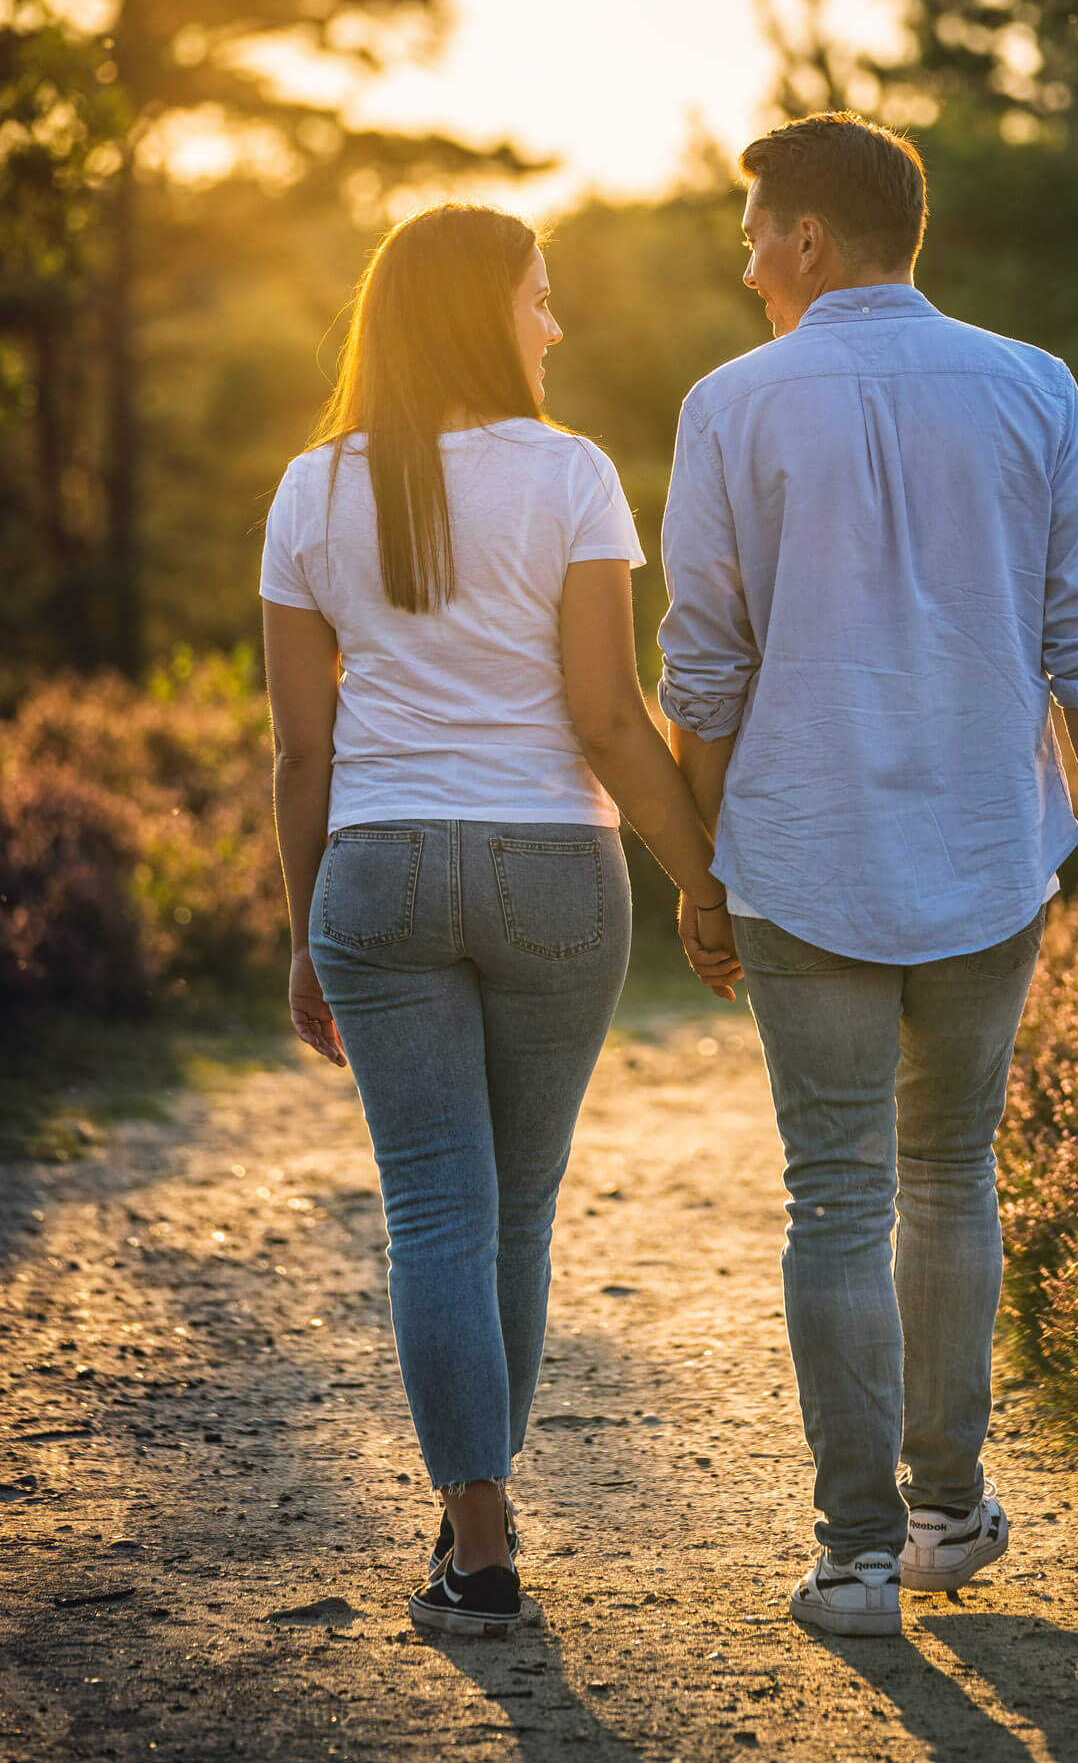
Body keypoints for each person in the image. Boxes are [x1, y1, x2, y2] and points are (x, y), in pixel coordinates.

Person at [659, 112, 1078, 1638]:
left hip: (800, 852)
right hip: (989, 853)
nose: (747, 264)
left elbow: (704, 672)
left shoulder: (729, 406)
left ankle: (856, 1561)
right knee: (950, 1174)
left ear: (809, 237)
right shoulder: (1035, 385)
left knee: (834, 1195)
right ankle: (948, 1514)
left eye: (755, 234)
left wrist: (703, 872)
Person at [261, 202, 733, 1639]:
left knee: (436, 1215)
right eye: (539, 297)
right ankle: (484, 1511)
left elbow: (301, 749)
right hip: (555, 874)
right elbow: (606, 715)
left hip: (378, 871)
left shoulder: (311, 489)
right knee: (515, 1211)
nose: (555, 323)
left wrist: (304, 929)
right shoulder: (571, 474)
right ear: (485, 314)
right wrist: (702, 878)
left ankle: (479, 1542)